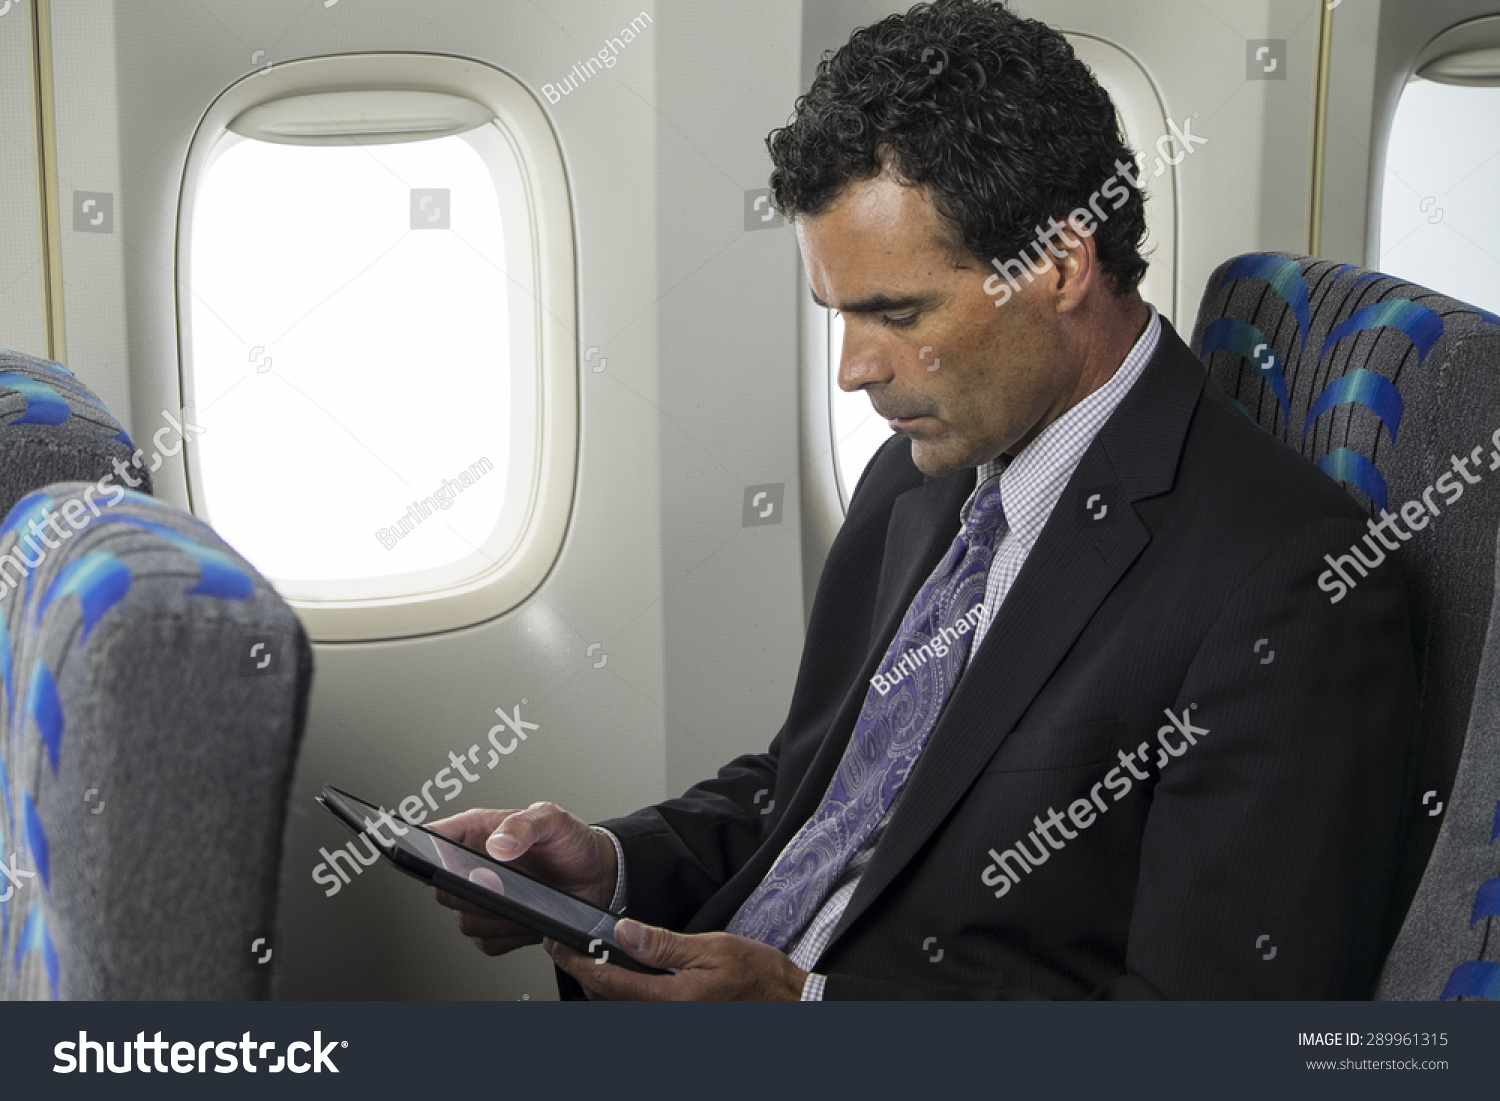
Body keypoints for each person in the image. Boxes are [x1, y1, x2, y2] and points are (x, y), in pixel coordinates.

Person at [431, 0, 1419, 1000]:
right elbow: (818, 790)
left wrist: (801, 1013)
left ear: (1062, 264)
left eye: (897, 314)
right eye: (840, 316)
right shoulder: (918, 477)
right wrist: (612, 867)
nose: (856, 371)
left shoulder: (1289, 589)